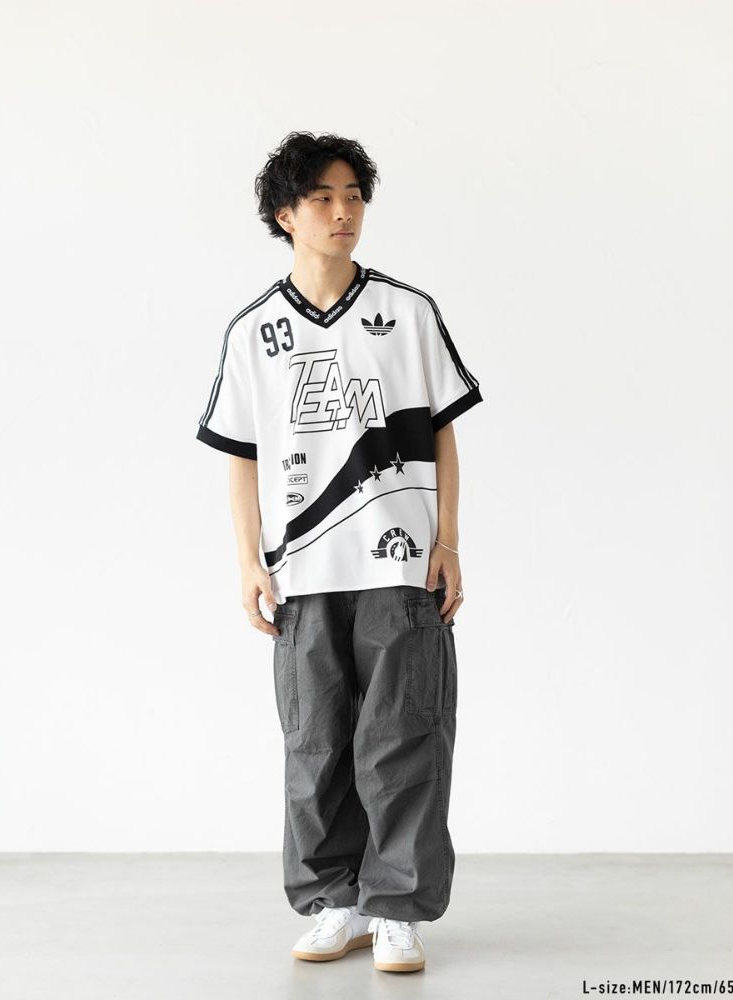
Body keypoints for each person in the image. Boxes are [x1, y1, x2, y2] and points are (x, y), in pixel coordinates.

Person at [196, 131, 483, 973]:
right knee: (314, 745)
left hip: (399, 564)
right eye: (322, 197)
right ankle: (336, 902)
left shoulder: (408, 313)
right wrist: (248, 562)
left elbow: (442, 431)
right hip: (303, 573)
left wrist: (449, 540)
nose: (343, 210)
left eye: (353, 195)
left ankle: (396, 909)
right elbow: (240, 454)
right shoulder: (254, 331)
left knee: (405, 738)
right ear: (285, 215)